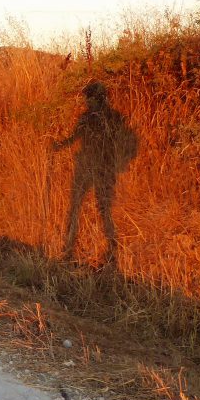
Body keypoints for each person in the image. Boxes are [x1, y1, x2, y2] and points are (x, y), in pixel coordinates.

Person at [51, 81, 137, 264]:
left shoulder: (91, 118)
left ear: (95, 99)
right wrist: (119, 163)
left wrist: (58, 146)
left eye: (88, 99)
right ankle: (110, 249)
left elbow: (74, 139)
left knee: (79, 207)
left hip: (90, 167)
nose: (86, 102)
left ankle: (69, 249)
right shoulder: (115, 118)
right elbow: (127, 144)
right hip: (103, 168)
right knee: (103, 209)